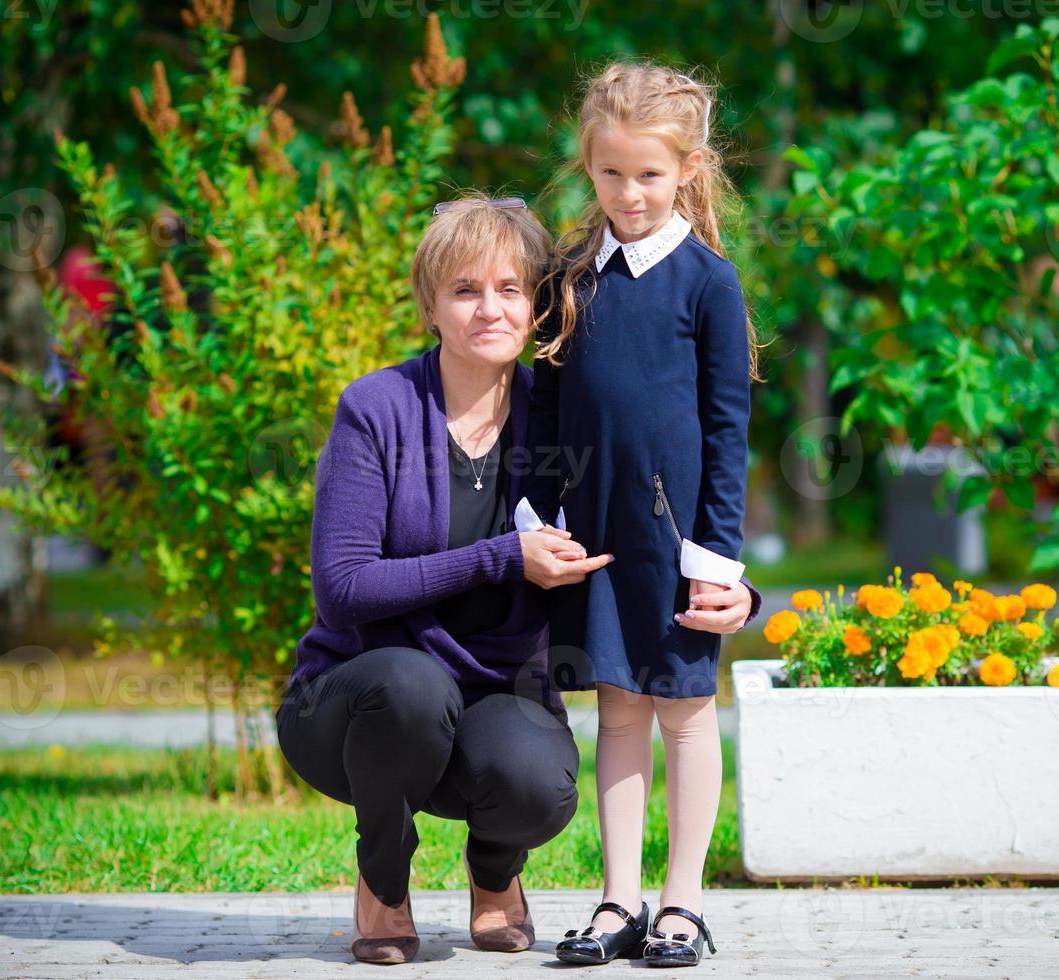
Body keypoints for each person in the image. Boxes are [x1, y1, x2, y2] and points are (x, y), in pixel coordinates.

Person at [276, 196, 627, 965]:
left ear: (537, 304)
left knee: (535, 784)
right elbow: (341, 588)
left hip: (499, 691)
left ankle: (495, 874)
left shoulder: (561, 414)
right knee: (409, 685)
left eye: (511, 288)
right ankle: (384, 882)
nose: (489, 309)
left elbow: (636, 520)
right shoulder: (377, 408)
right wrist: (505, 555)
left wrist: (722, 583)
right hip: (355, 704)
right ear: (430, 304)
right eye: (465, 289)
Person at [521, 63, 763, 968]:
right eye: (612, 173)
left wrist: (717, 557)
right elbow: (544, 415)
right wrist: (537, 518)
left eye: (650, 175)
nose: (629, 193)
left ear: (689, 171)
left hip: (679, 546)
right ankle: (620, 900)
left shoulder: (708, 283)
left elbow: (727, 430)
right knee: (618, 712)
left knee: (686, 713)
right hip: (596, 541)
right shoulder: (574, 276)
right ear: (590, 167)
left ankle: (681, 906)